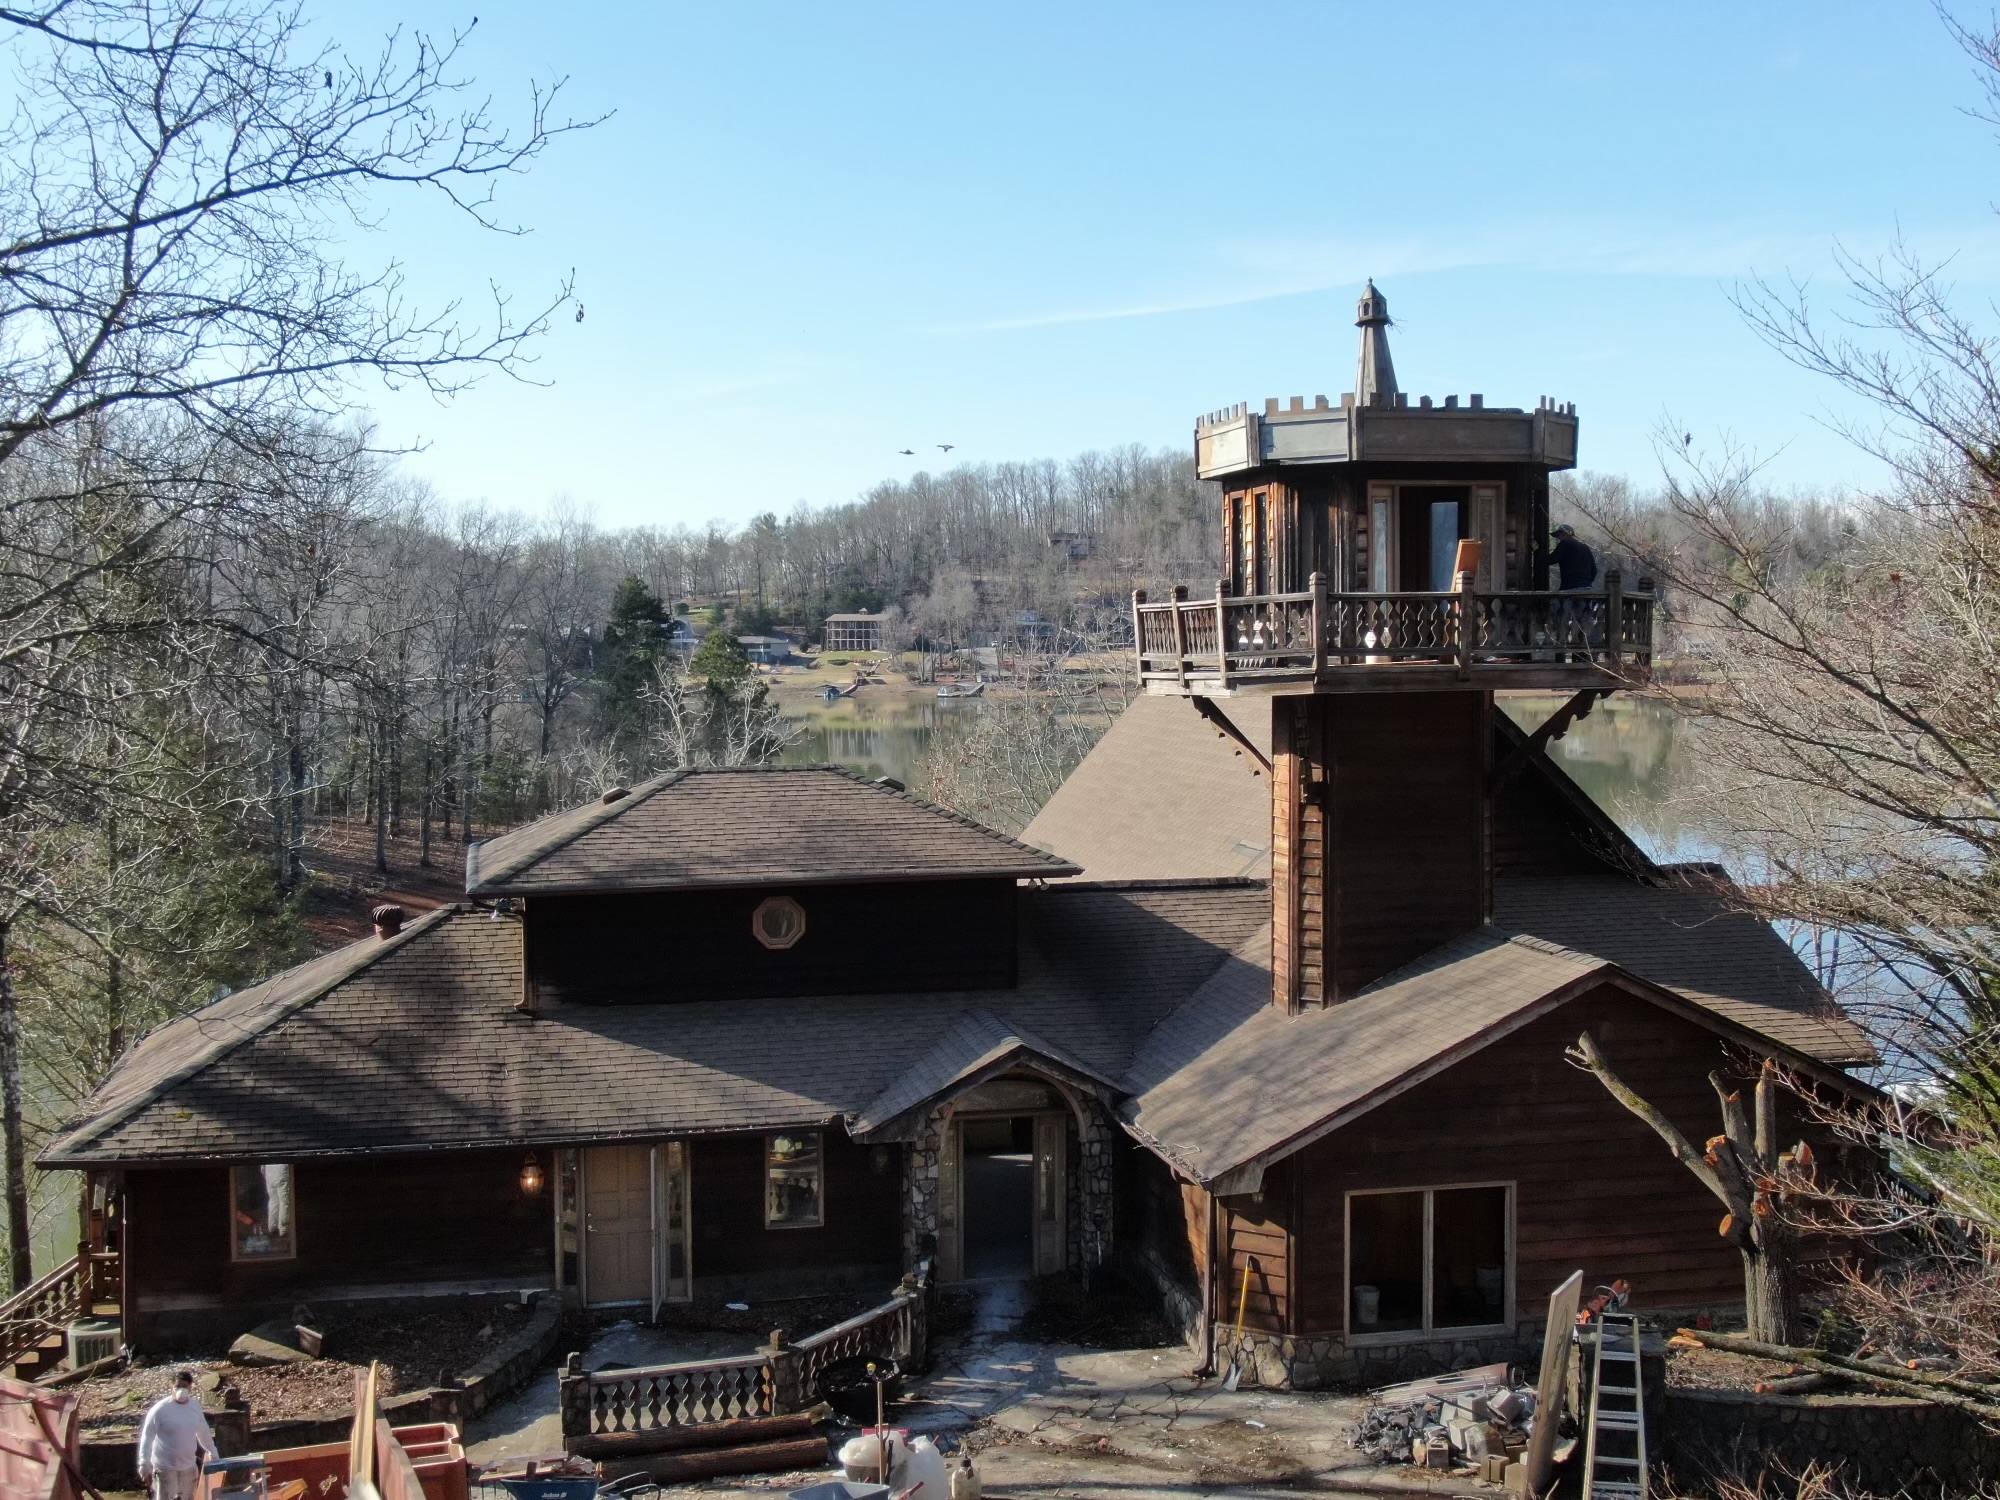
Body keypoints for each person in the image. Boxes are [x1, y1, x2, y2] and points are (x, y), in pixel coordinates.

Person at [137, 1370, 215, 1500]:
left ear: (190, 1387)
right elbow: (147, 1436)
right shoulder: (160, 1409)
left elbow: (203, 1431)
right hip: (165, 1468)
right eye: (178, 1386)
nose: (181, 1390)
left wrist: (212, 1450)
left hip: (188, 1467)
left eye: (185, 1386)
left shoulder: (195, 1407)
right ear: (172, 1387)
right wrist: (144, 1463)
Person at [1550, 523, 1598, 591]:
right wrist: (1585, 583)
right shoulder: (1585, 548)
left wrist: (1536, 549)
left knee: (1555, 601)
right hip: (1587, 590)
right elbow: (1594, 570)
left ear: (1565, 534)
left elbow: (1549, 560)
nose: (1558, 538)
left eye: (1559, 535)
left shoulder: (1564, 544)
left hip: (1569, 589)